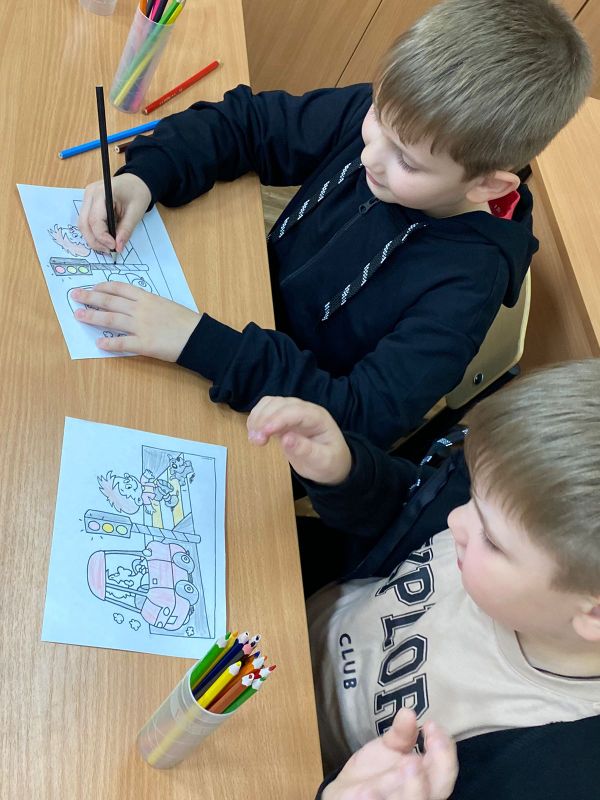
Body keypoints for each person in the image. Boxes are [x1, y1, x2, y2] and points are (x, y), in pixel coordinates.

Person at [76, 0, 590, 448]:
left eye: (407, 162)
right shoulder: (400, 123)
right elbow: (250, 124)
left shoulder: (468, 283)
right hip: (233, 314)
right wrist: (145, 175)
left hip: (268, 411)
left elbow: (361, 418)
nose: (370, 155)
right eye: (377, 117)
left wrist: (201, 343)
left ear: (487, 186)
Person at [246, 359, 600, 800]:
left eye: (491, 540)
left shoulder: (549, 769)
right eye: (472, 497)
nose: (456, 521)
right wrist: (345, 472)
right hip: (278, 619)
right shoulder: (508, 510)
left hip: (277, 756)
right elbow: (408, 509)